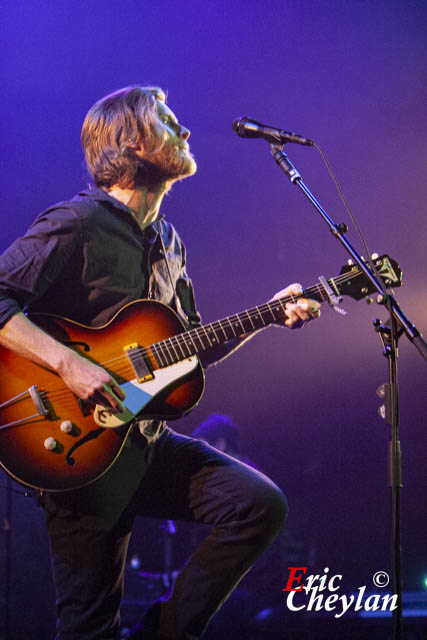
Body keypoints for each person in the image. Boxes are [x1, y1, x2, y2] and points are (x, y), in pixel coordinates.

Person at [0, 86, 321, 640]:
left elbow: (188, 348)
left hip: (146, 441)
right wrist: (68, 364)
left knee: (257, 505)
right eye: (169, 121)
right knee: (88, 626)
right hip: (76, 449)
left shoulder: (170, 242)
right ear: (132, 142)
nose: (186, 131)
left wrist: (268, 314)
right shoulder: (77, 223)